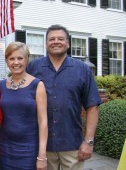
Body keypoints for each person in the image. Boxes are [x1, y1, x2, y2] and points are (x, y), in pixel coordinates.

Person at [27, 24, 102, 170]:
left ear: (68, 43)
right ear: (46, 43)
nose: (56, 42)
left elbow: (92, 106)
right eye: (51, 39)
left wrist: (89, 142)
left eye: (60, 39)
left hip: (72, 144)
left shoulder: (82, 70)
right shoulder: (33, 68)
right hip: (42, 146)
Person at [0, 42, 48, 170]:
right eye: (12, 58)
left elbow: (43, 121)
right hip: (5, 148)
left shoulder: (37, 85)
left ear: (27, 60)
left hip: (28, 149)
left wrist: (42, 155)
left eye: (20, 58)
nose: (16, 62)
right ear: (7, 61)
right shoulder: (2, 86)